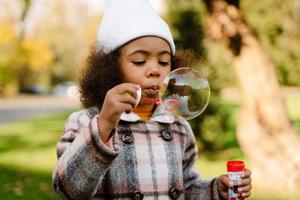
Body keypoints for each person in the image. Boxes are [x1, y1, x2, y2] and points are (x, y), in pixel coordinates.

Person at [52, 0, 252, 199]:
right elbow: (68, 189)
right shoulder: (85, 123)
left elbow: (187, 188)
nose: (155, 70)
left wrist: (217, 190)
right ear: (110, 69)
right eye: (140, 61)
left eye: (163, 61)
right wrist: (103, 125)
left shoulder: (177, 127)